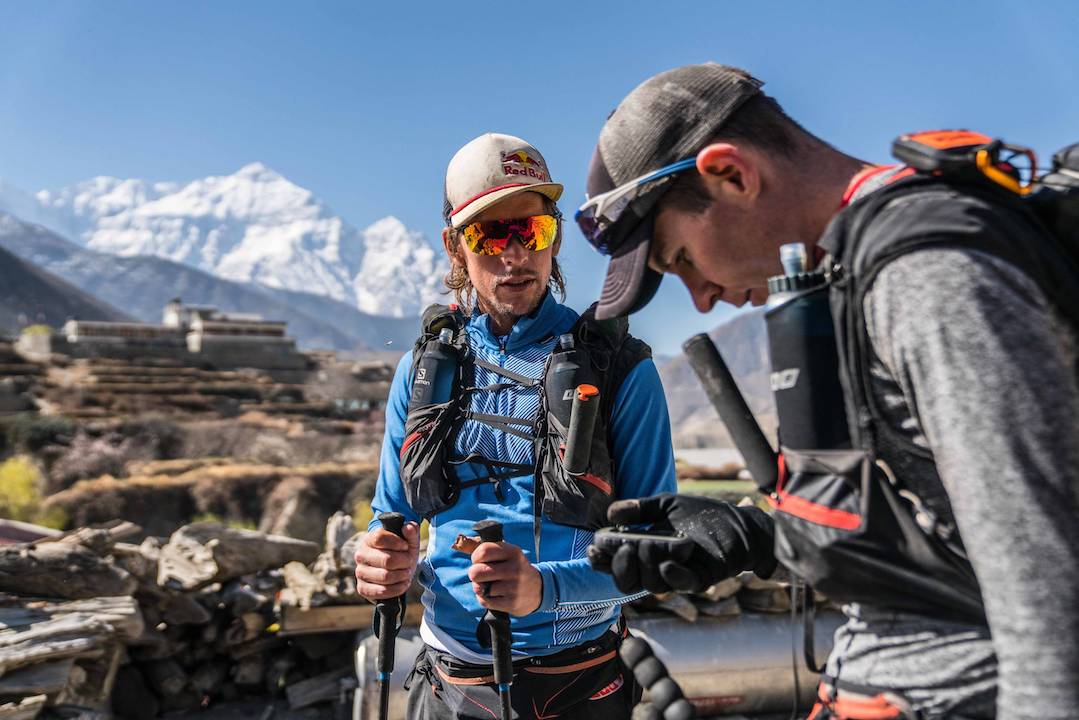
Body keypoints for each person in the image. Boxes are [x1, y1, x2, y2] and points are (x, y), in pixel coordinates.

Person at [578, 63, 1079, 720]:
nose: (699, 298)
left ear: (731, 175)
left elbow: (1044, 584)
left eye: (681, 260)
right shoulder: (852, 275)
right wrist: (756, 537)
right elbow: (943, 536)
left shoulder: (925, 277)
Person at [355, 132, 678, 719]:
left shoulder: (621, 370)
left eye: (532, 230)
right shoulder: (422, 370)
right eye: (490, 234)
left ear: (555, 237)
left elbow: (656, 555)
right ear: (455, 247)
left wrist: (544, 590)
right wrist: (378, 560)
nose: (514, 255)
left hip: (577, 685)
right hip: (446, 682)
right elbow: (389, 520)